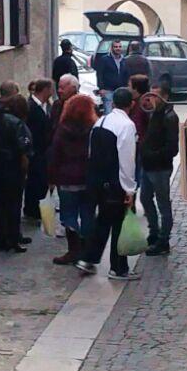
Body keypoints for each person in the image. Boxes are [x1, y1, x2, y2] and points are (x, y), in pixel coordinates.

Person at [77, 87, 139, 281]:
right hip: (115, 182)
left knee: (103, 220)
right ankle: (118, 268)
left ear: (113, 103)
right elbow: (127, 158)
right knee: (119, 224)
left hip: (97, 180)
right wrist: (130, 188)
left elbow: (90, 152)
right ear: (131, 104)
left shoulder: (101, 122)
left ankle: (89, 258)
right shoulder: (127, 126)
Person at [48, 92, 97, 265]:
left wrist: (52, 178)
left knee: (68, 214)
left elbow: (55, 154)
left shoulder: (63, 128)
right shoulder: (94, 128)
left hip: (67, 178)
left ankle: (73, 249)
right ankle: (86, 250)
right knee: (87, 215)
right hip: (87, 178)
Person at [0, 84, 31, 253]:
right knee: (13, 203)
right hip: (10, 166)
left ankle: (1, 237)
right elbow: (22, 147)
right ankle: (12, 238)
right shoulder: (14, 122)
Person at [139, 87, 179, 256]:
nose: (152, 99)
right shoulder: (154, 113)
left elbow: (172, 148)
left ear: (165, 97)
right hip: (149, 166)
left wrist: (152, 155)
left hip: (160, 167)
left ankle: (163, 239)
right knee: (145, 198)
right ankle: (154, 232)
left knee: (163, 203)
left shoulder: (169, 117)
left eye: (156, 96)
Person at [23, 79, 54, 221]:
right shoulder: (31, 107)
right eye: (51, 89)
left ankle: (34, 210)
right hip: (36, 151)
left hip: (42, 151)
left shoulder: (44, 105)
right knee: (35, 181)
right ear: (45, 90)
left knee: (38, 181)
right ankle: (33, 210)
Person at [91, 40, 126, 111]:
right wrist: (101, 88)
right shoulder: (104, 59)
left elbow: (126, 74)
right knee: (108, 111)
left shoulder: (124, 60)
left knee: (119, 112)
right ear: (111, 48)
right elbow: (99, 74)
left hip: (120, 91)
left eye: (119, 47)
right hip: (108, 90)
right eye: (116, 47)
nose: (118, 48)